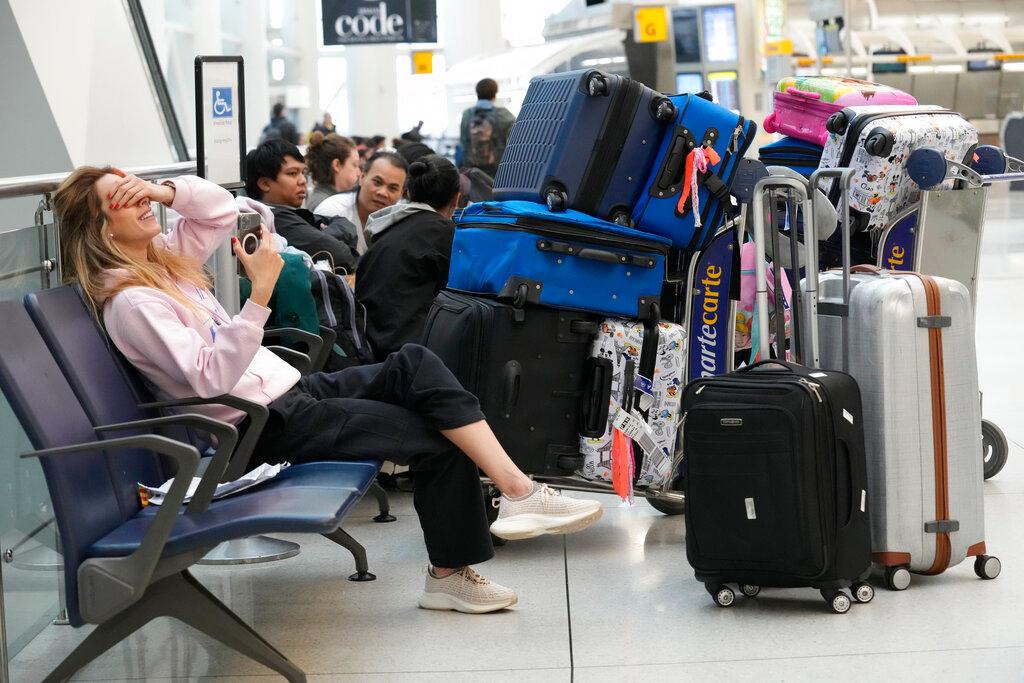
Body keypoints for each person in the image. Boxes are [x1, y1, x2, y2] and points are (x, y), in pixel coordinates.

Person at [52, 167, 604, 613]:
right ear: (101, 227)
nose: (141, 200)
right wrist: (260, 292)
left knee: (413, 362)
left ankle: (515, 489)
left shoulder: (162, 268)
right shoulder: (134, 301)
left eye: (133, 186)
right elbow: (209, 378)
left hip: (290, 392)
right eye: (123, 198)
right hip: (259, 426)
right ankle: (450, 574)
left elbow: (220, 209)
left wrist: (160, 188)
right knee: (439, 440)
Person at [356, 155, 458, 359]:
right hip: (406, 358)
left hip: (365, 350)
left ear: (408, 192)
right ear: (456, 199)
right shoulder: (444, 234)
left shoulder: (384, 229)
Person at [245, 139, 358, 273]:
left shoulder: (290, 212)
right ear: (265, 183)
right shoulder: (276, 219)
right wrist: (325, 237)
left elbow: (344, 223)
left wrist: (323, 235)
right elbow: (342, 255)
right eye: (292, 173)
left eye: (303, 173)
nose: (303, 181)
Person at [314, 151, 407, 254]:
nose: (383, 193)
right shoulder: (332, 211)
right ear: (362, 177)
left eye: (392, 188)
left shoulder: (403, 222)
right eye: (377, 182)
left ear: (401, 193)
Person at [459, 78, 516, 178]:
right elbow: (516, 139)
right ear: (494, 94)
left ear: (477, 93)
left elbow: (463, 142)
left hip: (472, 172)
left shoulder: (467, 114)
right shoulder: (503, 114)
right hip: (497, 172)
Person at [303, 132, 362, 211]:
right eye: (355, 165)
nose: (359, 173)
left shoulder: (335, 199)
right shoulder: (325, 207)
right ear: (337, 165)